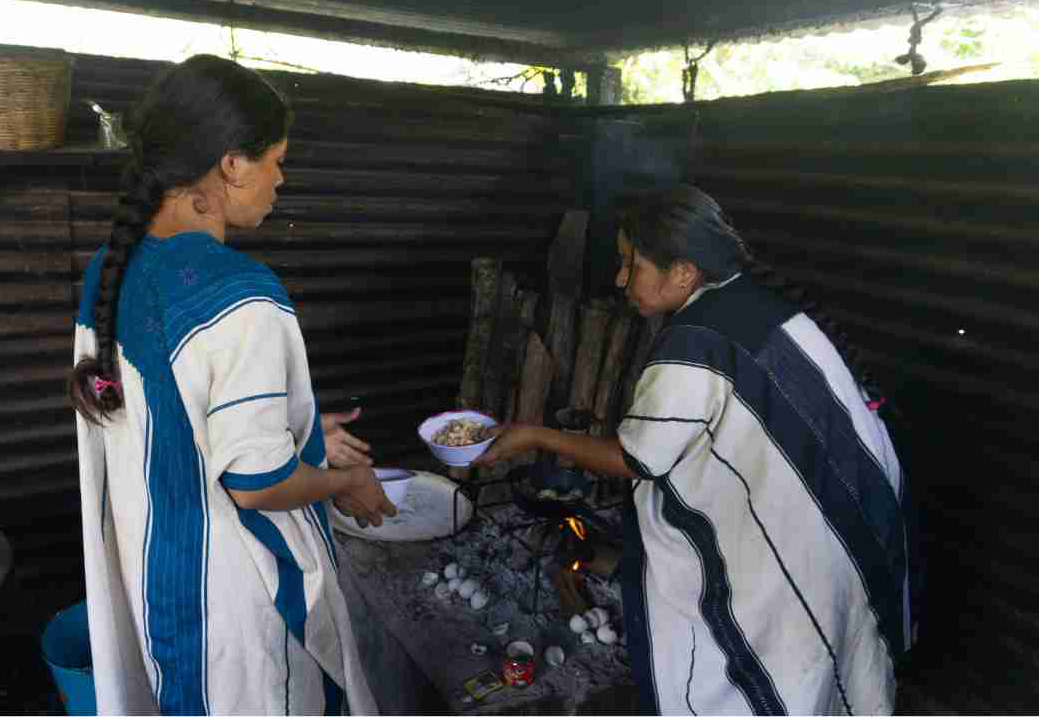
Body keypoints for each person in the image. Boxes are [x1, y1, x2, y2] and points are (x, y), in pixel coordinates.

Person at [476, 185, 914, 715]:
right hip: (857, 513)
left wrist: (534, 434)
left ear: (683, 271)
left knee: (779, 658)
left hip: (809, 537)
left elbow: (635, 460)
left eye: (630, 264)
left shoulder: (695, 340)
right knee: (835, 664)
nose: (619, 280)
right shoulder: (758, 301)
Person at [68, 55, 395, 715]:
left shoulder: (113, 269)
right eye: (275, 158)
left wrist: (297, 435)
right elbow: (258, 486)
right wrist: (346, 481)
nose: (281, 177)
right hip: (236, 608)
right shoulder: (238, 295)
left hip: (159, 584)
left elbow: (143, 414)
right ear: (230, 164)